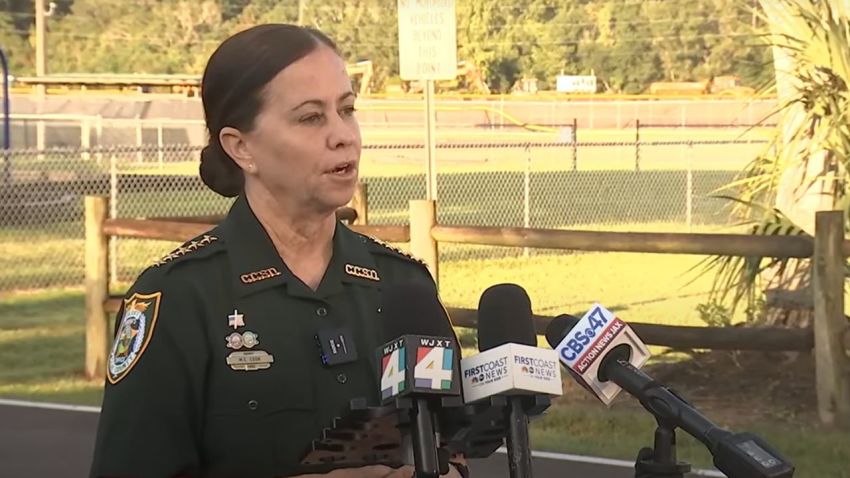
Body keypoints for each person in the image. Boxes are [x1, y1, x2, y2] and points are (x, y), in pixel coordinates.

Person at [89, 24, 468, 478]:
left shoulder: (405, 286)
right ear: (241, 147)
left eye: (347, 110)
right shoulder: (178, 298)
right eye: (311, 117)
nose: (343, 135)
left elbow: (455, 450)